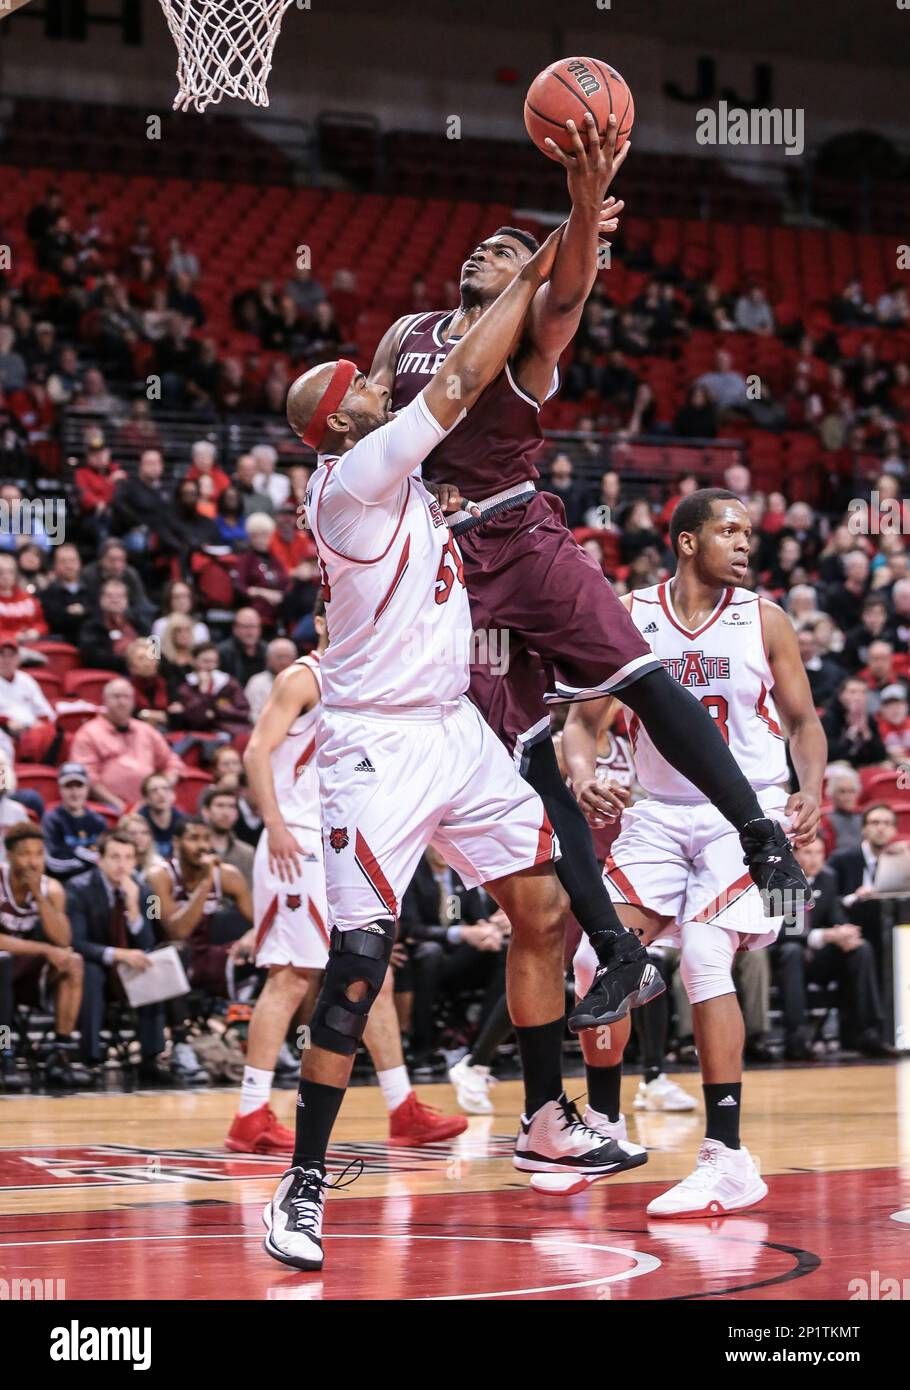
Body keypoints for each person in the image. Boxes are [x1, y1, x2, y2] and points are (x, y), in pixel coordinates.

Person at [263, 222, 646, 1273]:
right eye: (354, 379)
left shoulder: (403, 471)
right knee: (355, 962)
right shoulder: (359, 471)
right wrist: (554, 243)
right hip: (378, 749)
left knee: (545, 904)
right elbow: (471, 365)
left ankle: (546, 1119)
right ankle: (301, 1187)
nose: (372, 376)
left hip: (450, 731)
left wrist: (562, 272)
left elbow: (498, 385)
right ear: (336, 416)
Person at [372, 118, 808, 1031]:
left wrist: (578, 209)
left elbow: (567, 288)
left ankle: (759, 834)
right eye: (481, 244)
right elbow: (365, 434)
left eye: (508, 249)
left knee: (639, 678)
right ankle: (614, 950)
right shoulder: (406, 334)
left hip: (522, 537)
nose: (487, 249)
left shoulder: (534, 333)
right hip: (448, 573)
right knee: (533, 762)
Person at [552, 489, 827, 1212]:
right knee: (593, 956)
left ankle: (727, 1155)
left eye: (748, 531)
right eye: (728, 530)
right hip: (658, 816)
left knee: (705, 952)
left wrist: (813, 790)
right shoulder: (633, 616)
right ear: (684, 541)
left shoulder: (764, 620)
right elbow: (583, 726)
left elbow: (804, 722)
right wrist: (582, 774)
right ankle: (606, 1129)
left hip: (750, 816)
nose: (745, 543)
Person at [227, 606, 467, 1155]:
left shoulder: (366, 682)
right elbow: (255, 750)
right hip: (296, 842)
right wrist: (276, 824)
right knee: (290, 976)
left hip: (339, 844)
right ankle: (250, 1112)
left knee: (367, 971)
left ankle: (402, 1106)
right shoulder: (302, 677)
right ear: (318, 620)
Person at [67, 830, 170, 1085]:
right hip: (97, 963)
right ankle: (90, 1058)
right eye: (114, 857)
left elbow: (150, 942)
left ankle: (151, 1057)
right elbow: (75, 942)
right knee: (90, 972)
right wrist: (117, 955)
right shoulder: (77, 888)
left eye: (128, 858)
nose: (121, 864)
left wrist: (135, 909)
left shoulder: (148, 894)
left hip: (132, 968)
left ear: (136, 861)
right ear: (99, 859)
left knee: (152, 965)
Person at [772, 836, 889, 1059]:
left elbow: (836, 916)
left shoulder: (828, 878)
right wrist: (825, 935)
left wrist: (845, 932)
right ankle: (796, 1037)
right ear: (794, 854)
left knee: (861, 948)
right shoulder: (781, 879)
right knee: (792, 952)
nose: (814, 859)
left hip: (818, 956)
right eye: (808, 852)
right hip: (786, 955)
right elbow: (785, 932)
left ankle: (868, 1032)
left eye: (819, 853)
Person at [0, 822, 86, 1089]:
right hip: (3, 966)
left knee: (73, 962)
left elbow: (63, 939)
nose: (33, 861)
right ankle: (5, 1051)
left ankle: (59, 1052)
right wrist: (45, 950)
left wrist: (37, 894)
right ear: (9, 855)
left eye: (39, 853)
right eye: (25, 853)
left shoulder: (52, 889)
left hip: (24, 969)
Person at [147, 818, 255, 999]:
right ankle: (179, 1024)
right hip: (166, 953)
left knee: (262, 950)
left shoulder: (228, 875)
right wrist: (205, 883)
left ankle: (236, 1012)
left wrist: (251, 936)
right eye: (194, 839)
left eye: (206, 839)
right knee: (178, 951)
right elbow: (177, 932)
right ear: (176, 842)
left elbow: (261, 922)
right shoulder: (159, 876)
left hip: (207, 951)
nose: (202, 846)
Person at [70, 678, 186, 814]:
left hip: (150, 806)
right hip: (109, 806)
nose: (122, 702)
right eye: (116, 697)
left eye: (127, 697)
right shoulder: (88, 733)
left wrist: (161, 789)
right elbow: (88, 778)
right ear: (104, 701)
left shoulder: (146, 730)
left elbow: (171, 762)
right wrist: (120, 806)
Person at [42, 763, 108, 881]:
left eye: (79, 786)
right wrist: (90, 859)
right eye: (68, 786)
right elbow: (54, 863)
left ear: (87, 788)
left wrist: (75, 853)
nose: (74, 792)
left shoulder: (98, 821)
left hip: (94, 885)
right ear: (60, 789)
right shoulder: (51, 820)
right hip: (62, 883)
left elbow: (106, 857)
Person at [0, 640, 56, 762]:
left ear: (18, 658)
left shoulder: (26, 680)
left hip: (30, 731)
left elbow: (45, 712)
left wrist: (40, 724)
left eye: (11, 655)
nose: (6, 660)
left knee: (54, 733)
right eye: (2, 655)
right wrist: (6, 721)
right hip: (4, 731)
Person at [199, 785, 254, 884]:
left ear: (237, 814)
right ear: (206, 811)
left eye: (231, 807)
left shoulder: (247, 854)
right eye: (220, 805)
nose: (226, 812)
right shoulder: (196, 851)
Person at [137, 772, 186, 859]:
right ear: (145, 799)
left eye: (165, 789)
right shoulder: (139, 822)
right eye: (154, 790)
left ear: (173, 795)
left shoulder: (183, 821)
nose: (161, 794)